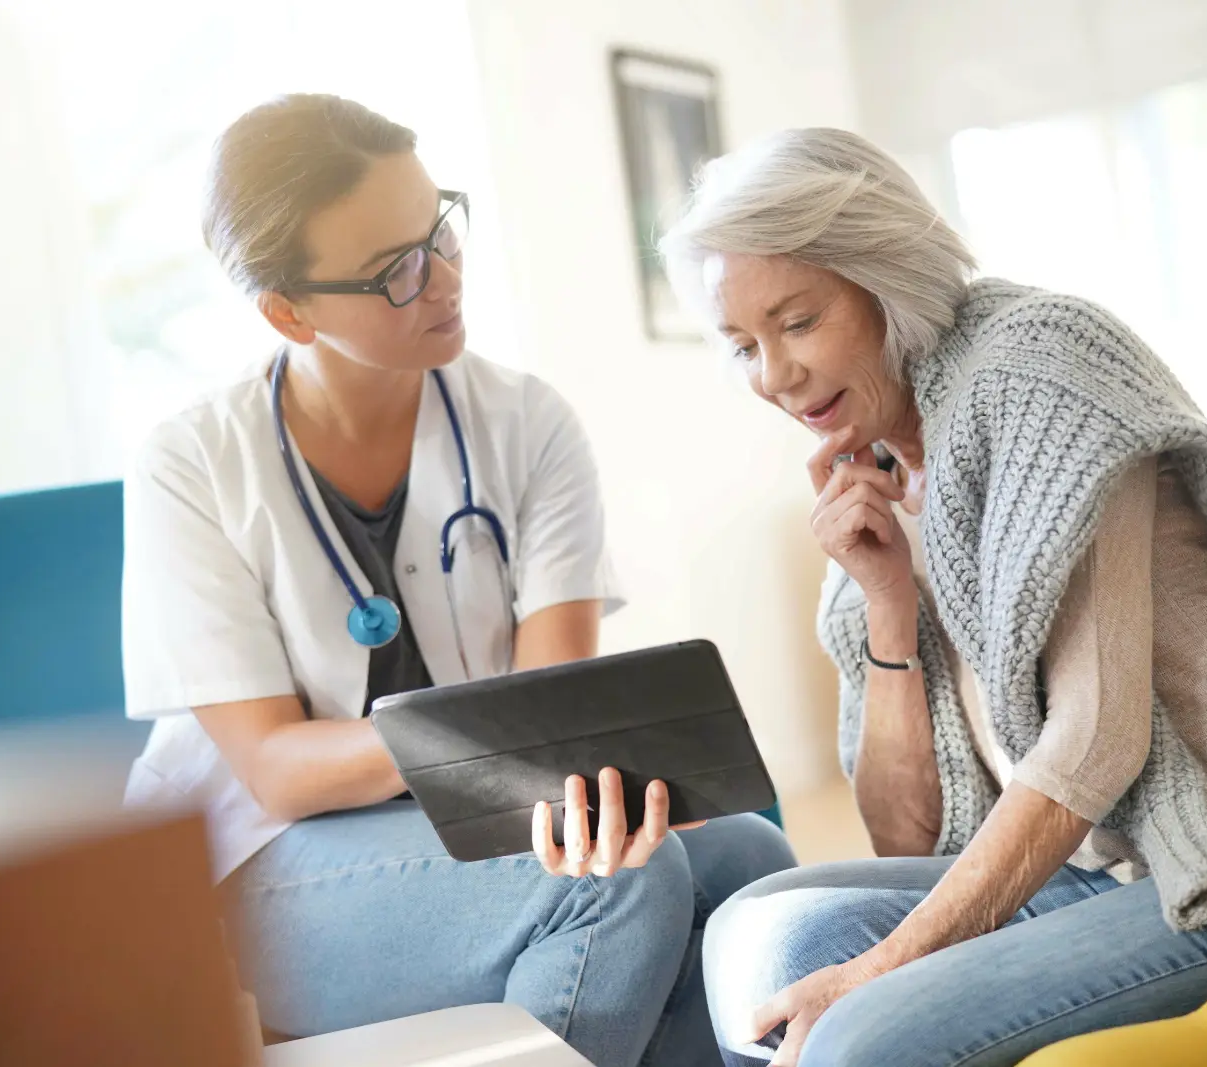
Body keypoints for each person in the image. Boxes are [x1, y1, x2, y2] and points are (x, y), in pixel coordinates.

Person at [657, 127, 1207, 1067]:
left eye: (797, 323)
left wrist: (887, 965)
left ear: (885, 278)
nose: (776, 376)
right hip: (1115, 868)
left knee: (864, 1036)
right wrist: (886, 603)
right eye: (742, 344)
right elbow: (908, 832)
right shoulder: (870, 466)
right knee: (756, 932)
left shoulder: (1037, 368)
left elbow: (1096, 737)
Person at [120, 94, 794, 1067]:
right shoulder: (192, 462)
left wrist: (538, 758)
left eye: (439, 227)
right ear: (287, 309)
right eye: (394, 268)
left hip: (469, 817)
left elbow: (551, 720)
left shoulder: (527, 424)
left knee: (750, 862)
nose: (441, 278)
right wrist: (486, 747)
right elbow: (277, 766)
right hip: (260, 864)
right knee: (612, 888)